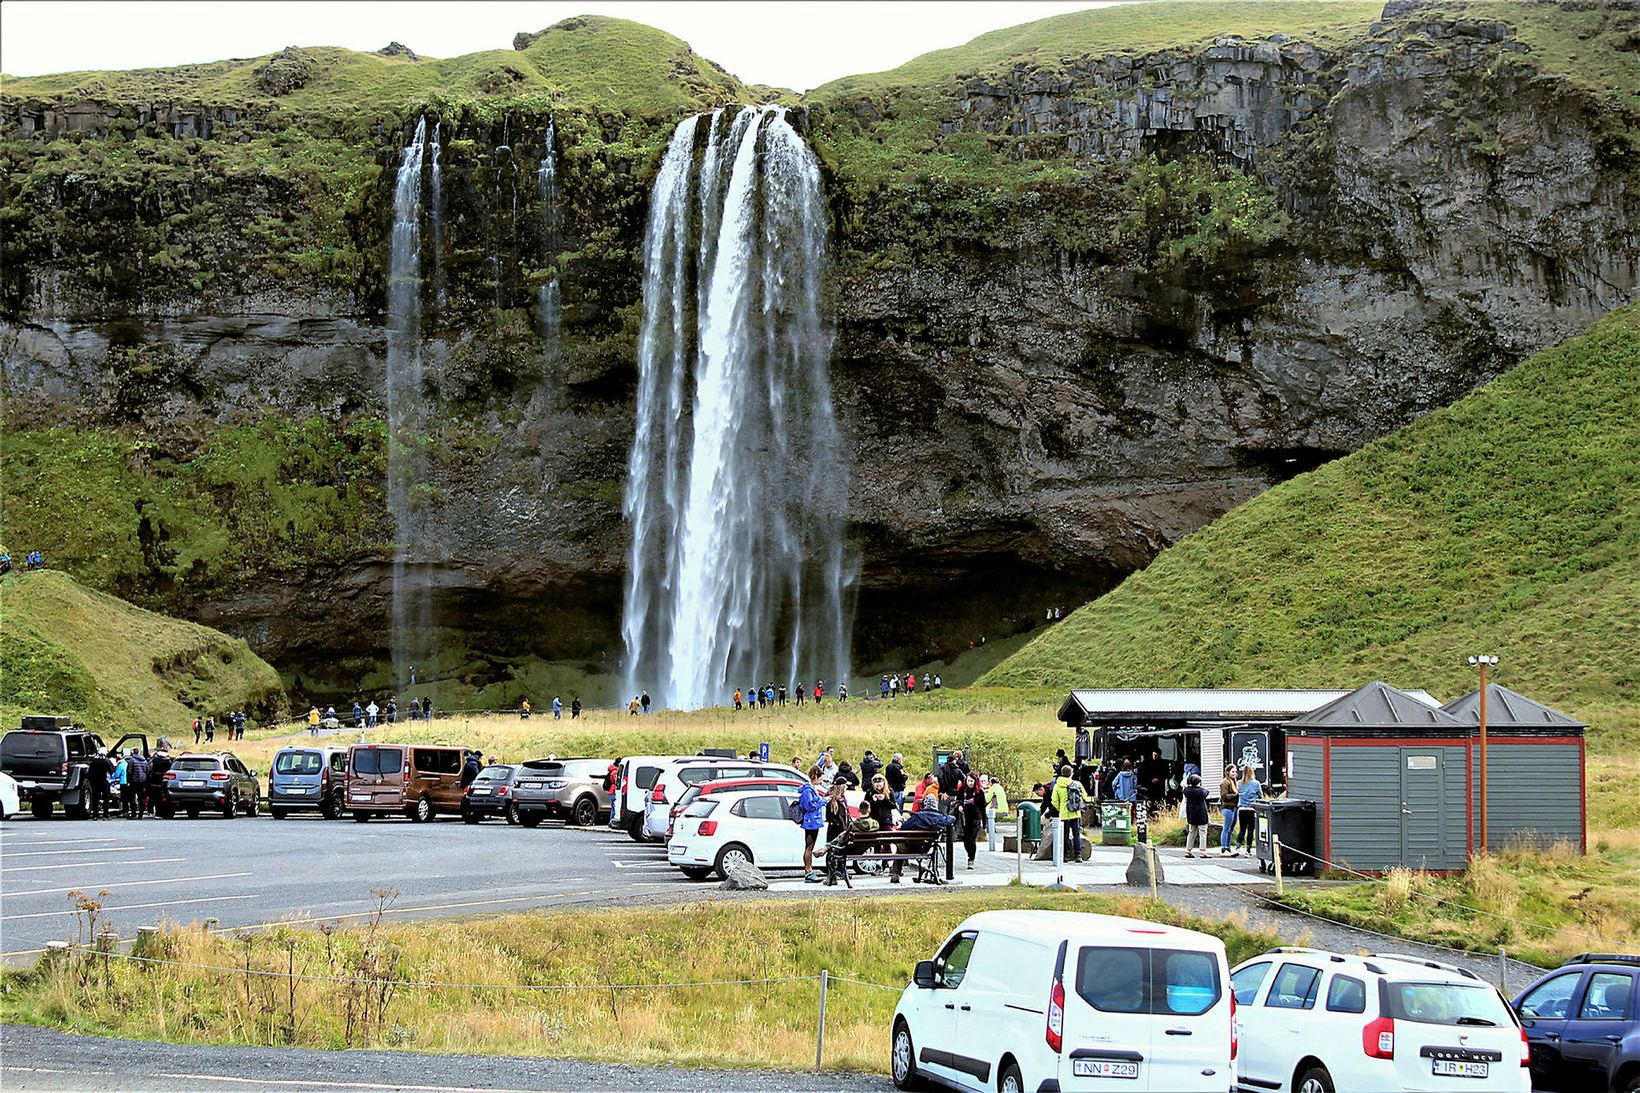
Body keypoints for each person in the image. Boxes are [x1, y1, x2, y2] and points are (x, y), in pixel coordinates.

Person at [797, 766, 826, 883]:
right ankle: (808, 871)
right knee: (809, 847)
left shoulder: (812, 789)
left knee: (810, 846)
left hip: (813, 821)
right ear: (816, 776)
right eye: (820, 778)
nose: (821, 780)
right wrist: (823, 801)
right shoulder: (808, 791)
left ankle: (809, 870)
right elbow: (809, 806)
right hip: (810, 822)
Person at [1050, 764, 1084, 861]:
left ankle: (1066, 855)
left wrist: (1060, 808)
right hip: (1075, 813)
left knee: (1065, 835)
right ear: (1071, 773)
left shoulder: (1057, 785)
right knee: (1076, 834)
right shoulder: (1077, 784)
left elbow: (1054, 800)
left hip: (1064, 814)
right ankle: (1078, 855)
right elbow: (1084, 796)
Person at [958, 771, 985, 868]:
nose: (970, 783)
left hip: (975, 818)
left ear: (975, 781)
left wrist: (984, 823)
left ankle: (971, 859)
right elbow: (958, 801)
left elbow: (983, 808)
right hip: (965, 818)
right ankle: (969, 854)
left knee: (971, 839)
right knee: (965, 840)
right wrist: (959, 806)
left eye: (972, 781)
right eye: (968, 781)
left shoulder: (979, 792)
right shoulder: (962, 790)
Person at [1182, 774, 1211, 856]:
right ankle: (1203, 851)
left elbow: (1185, 790)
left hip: (1191, 815)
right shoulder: (1201, 791)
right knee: (1202, 832)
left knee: (1191, 832)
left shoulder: (1187, 791)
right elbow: (1206, 792)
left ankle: (1188, 850)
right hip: (1201, 814)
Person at [1237, 766, 1262, 855]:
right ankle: (1248, 849)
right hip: (1252, 809)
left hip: (1242, 809)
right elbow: (1260, 795)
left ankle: (1238, 847)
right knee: (1250, 830)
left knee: (1242, 829)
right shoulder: (1256, 783)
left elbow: (1237, 793)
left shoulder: (1239, 783)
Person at [1218, 764, 1240, 855]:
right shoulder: (1225, 782)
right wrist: (1235, 795)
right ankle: (1223, 848)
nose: (1234, 773)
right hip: (1227, 806)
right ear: (1227, 772)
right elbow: (1224, 796)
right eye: (1232, 771)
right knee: (1226, 828)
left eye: (1235, 772)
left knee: (1231, 828)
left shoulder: (1234, 782)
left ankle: (1228, 847)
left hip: (1235, 806)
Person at [148, 740, 172, 816]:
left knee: (152, 797)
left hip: (154, 781)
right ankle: (159, 812)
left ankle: (150, 811)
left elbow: (149, 769)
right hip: (164, 781)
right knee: (161, 798)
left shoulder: (154, 759)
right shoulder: (168, 760)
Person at [984, 774, 1008, 852]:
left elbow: (987, 799)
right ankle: (989, 829)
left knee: (983, 812)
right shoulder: (1000, 788)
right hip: (1004, 808)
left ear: (991, 783)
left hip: (996, 809)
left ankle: (987, 829)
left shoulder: (992, 788)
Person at [88, 748, 113, 819]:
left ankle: (95, 814)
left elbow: (89, 773)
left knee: (95, 798)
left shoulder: (93, 762)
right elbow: (112, 770)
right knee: (106, 798)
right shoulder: (106, 761)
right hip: (104, 781)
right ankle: (105, 814)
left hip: (95, 782)